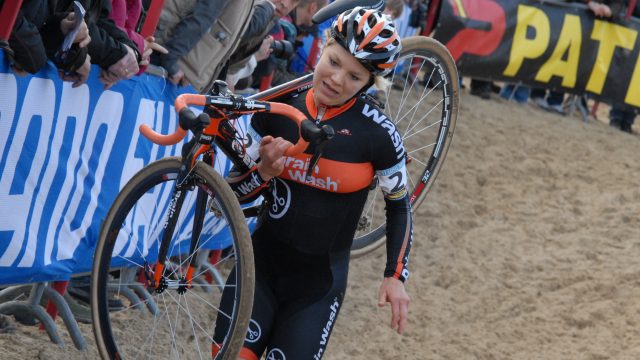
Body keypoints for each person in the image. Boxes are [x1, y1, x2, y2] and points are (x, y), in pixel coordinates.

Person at [213, 7, 412, 360]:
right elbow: (226, 200)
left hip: (318, 289)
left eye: (354, 76)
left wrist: (395, 275)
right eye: (334, 62)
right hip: (257, 271)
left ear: (369, 83)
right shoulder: (278, 101)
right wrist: (263, 173)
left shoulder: (378, 134)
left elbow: (398, 206)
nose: (337, 79)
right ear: (323, 46)